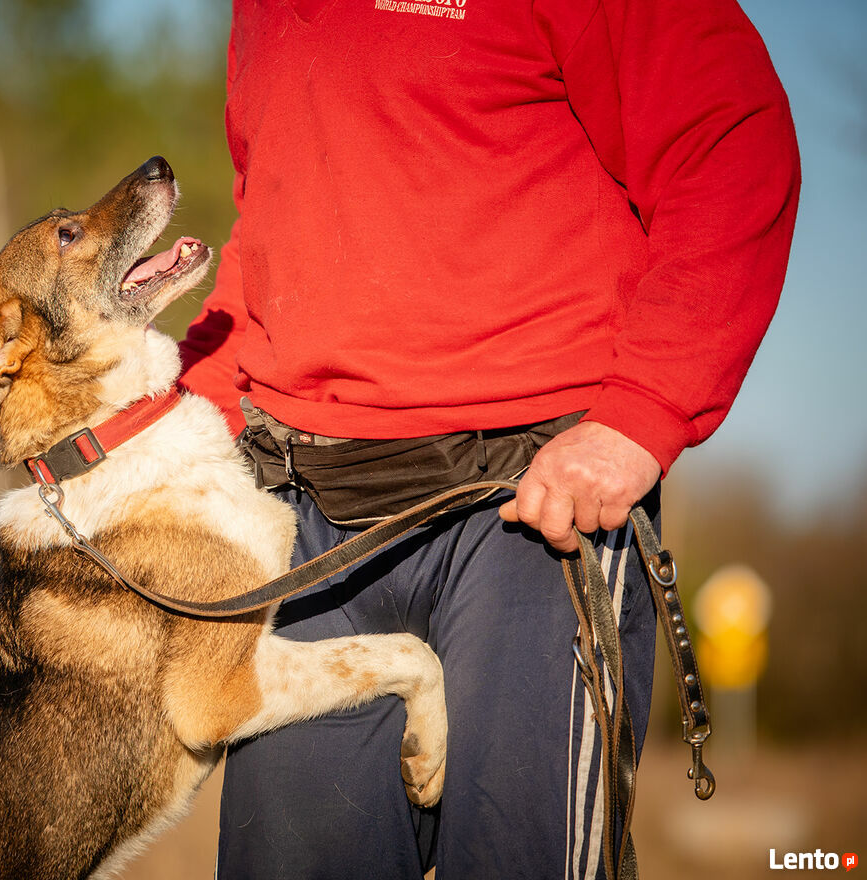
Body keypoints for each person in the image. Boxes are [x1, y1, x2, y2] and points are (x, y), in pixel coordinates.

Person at [175, 0, 799, 877]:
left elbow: (727, 137)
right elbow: (273, 233)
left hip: (532, 513)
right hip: (307, 533)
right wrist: (175, 425)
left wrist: (641, 412)